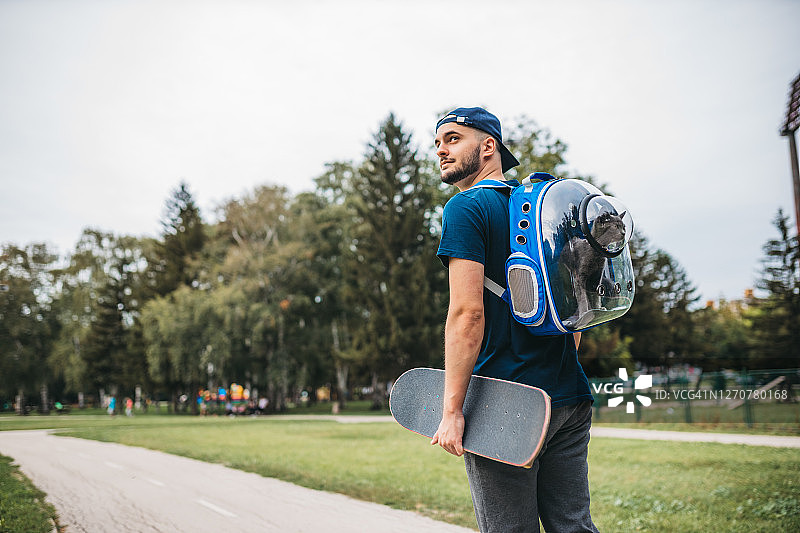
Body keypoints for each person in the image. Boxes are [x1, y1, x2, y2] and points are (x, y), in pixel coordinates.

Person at [431, 107, 599, 532]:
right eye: (437, 144)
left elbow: (467, 314)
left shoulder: (465, 208)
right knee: (574, 527)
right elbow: (571, 311)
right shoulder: (542, 209)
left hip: (505, 404)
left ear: (489, 147)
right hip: (568, 394)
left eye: (453, 139)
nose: (441, 151)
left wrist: (452, 410)